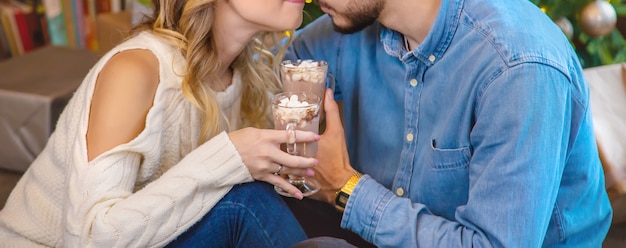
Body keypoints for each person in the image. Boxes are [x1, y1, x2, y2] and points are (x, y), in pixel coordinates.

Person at [283, 0, 614, 247]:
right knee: (251, 203)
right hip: (376, 238)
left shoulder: (516, 67)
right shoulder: (345, 32)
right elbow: (267, 68)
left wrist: (346, 187)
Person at [0, 0, 319, 247]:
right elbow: (87, 239)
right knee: (247, 202)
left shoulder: (245, 75)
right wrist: (230, 157)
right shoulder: (136, 70)